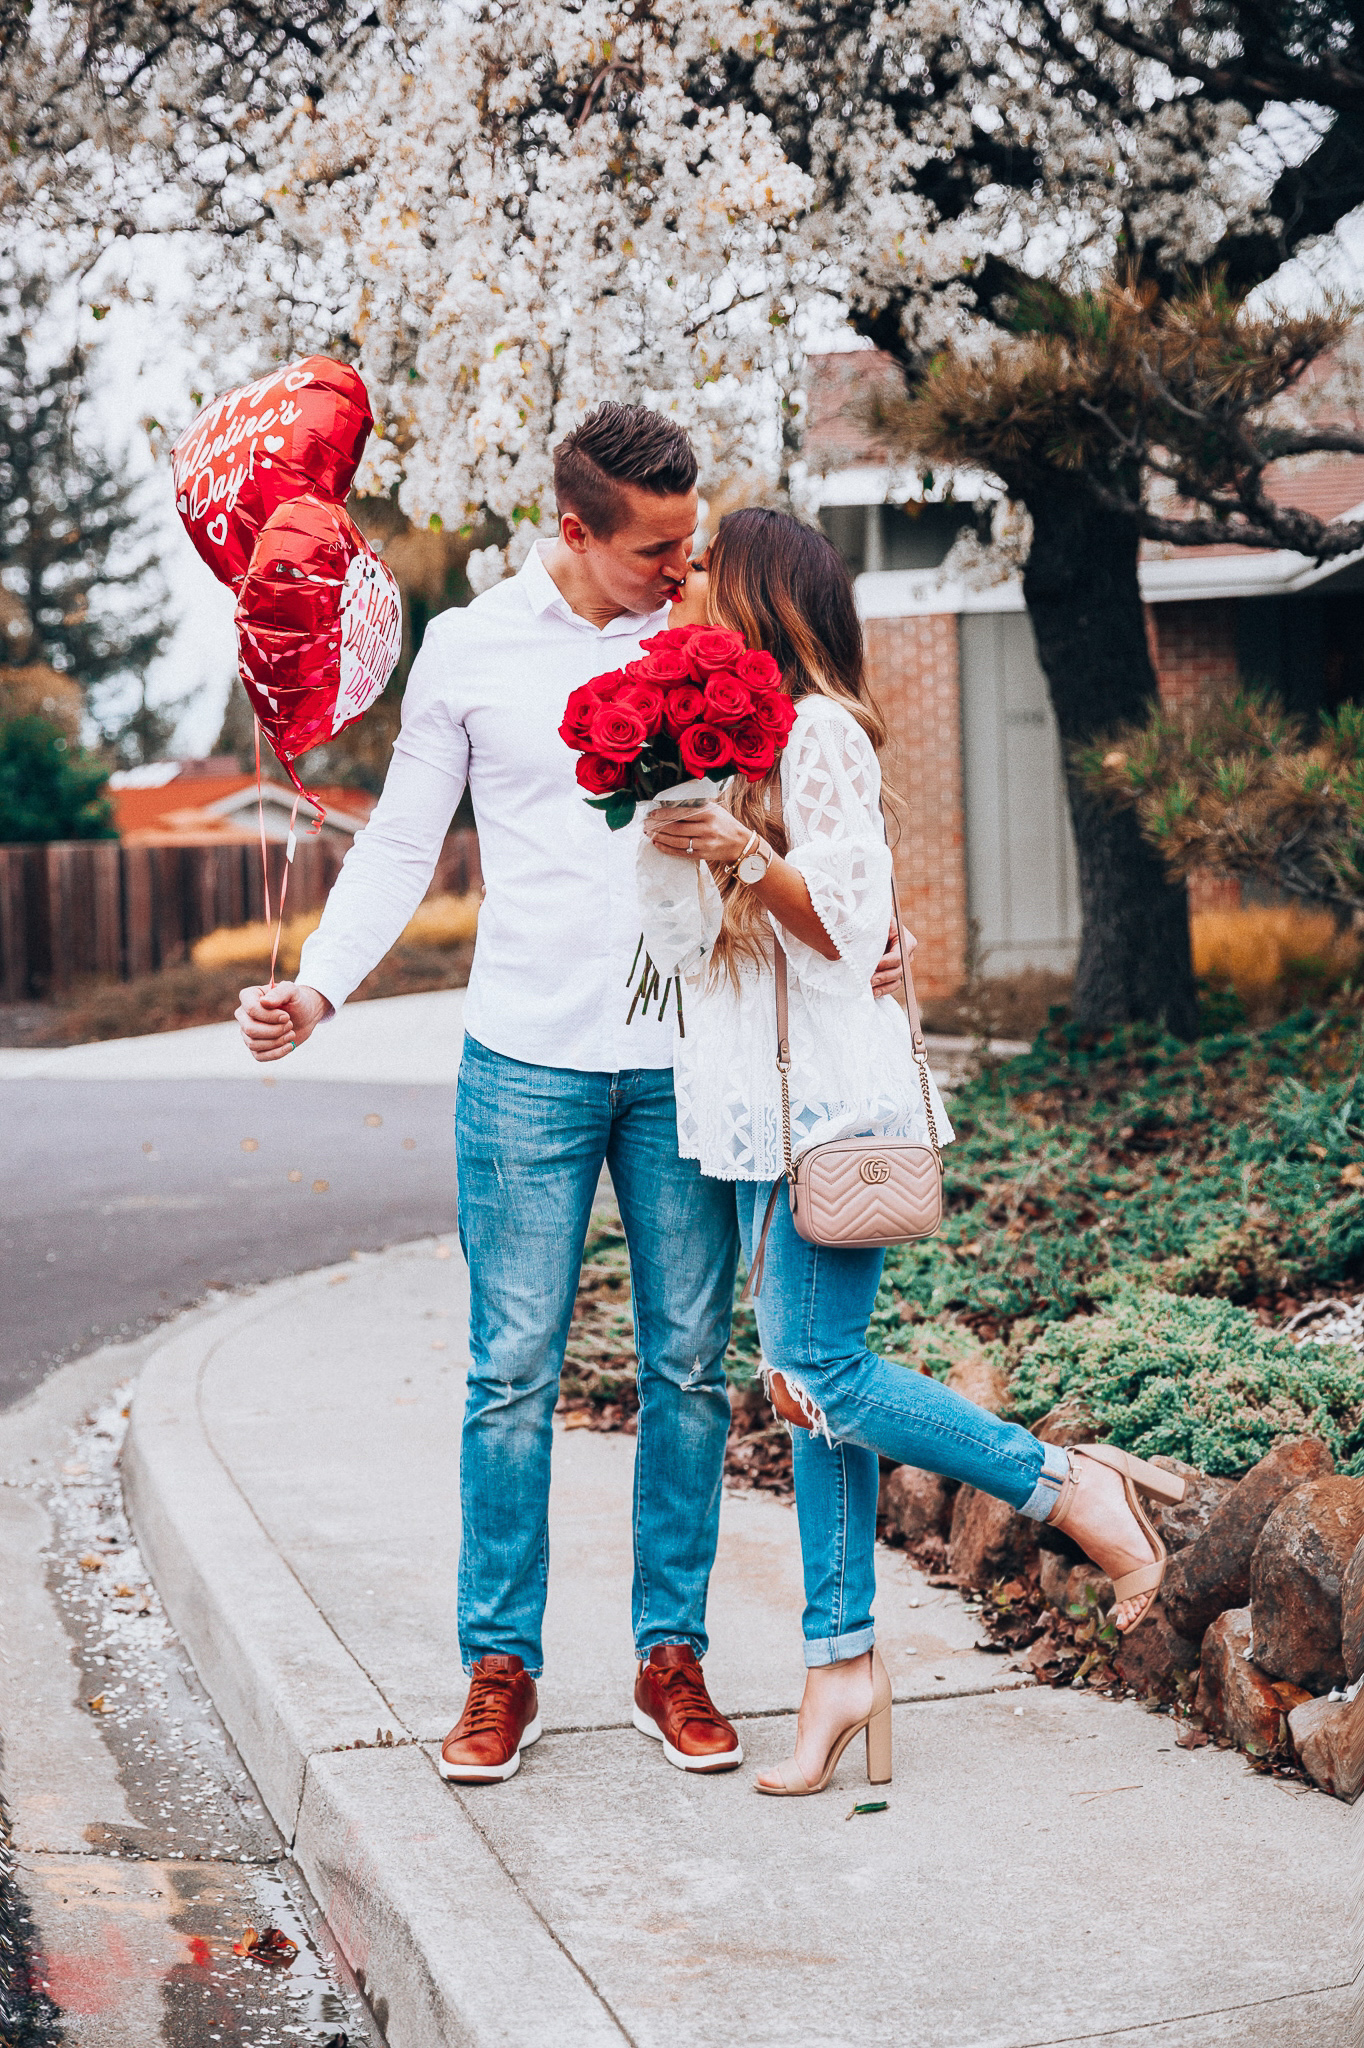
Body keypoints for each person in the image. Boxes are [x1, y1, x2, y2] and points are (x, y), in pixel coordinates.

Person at [234, 403, 910, 1787]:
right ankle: (501, 1667)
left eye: (692, 541)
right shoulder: (474, 652)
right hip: (525, 1063)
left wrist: (869, 942)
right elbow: (404, 839)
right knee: (510, 1374)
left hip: (690, 1066)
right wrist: (320, 985)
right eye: (656, 547)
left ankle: (676, 1657)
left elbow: (805, 828)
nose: (683, 567)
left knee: (683, 1371)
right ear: (574, 531)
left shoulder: (710, 643)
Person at [638, 507, 1186, 1799]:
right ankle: (840, 1668)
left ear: (763, 598)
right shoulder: (723, 750)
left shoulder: (817, 733)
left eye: (709, 572)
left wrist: (746, 854)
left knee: (820, 1367)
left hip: (829, 1105)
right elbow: (684, 953)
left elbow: (846, 917)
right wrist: (678, 841)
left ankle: (1067, 1487)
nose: (689, 588)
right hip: (759, 1117)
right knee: (806, 1395)